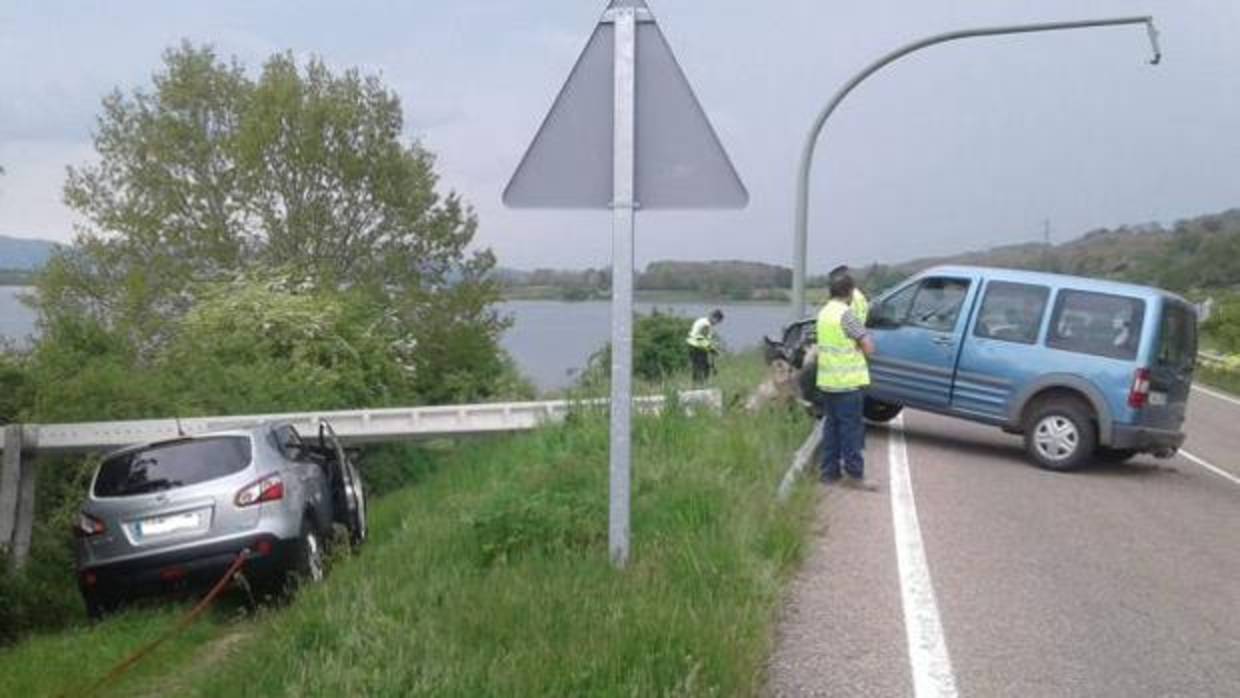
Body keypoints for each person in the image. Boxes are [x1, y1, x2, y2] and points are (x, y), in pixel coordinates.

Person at [816, 272, 876, 489]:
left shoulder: (823, 313)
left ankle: (828, 473)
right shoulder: (846, 315)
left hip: (828, 381)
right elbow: (869, 347)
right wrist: (861, 346)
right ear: (850, 292)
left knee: (831, 429)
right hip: (848, 383)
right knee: (851, 430)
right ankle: (855, 476)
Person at [686, 309, 723, 384]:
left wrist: (711, 348)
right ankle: (700, 385)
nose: (716, 324)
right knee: (702, 368)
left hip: (694, 346)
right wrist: (712, 350)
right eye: (717, 321)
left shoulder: (703, 321)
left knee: (698, 367)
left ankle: (697, 385)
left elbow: (704, 339)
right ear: (714, 318)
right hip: (696, 347)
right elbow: (700, 339)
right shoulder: (706, 324)